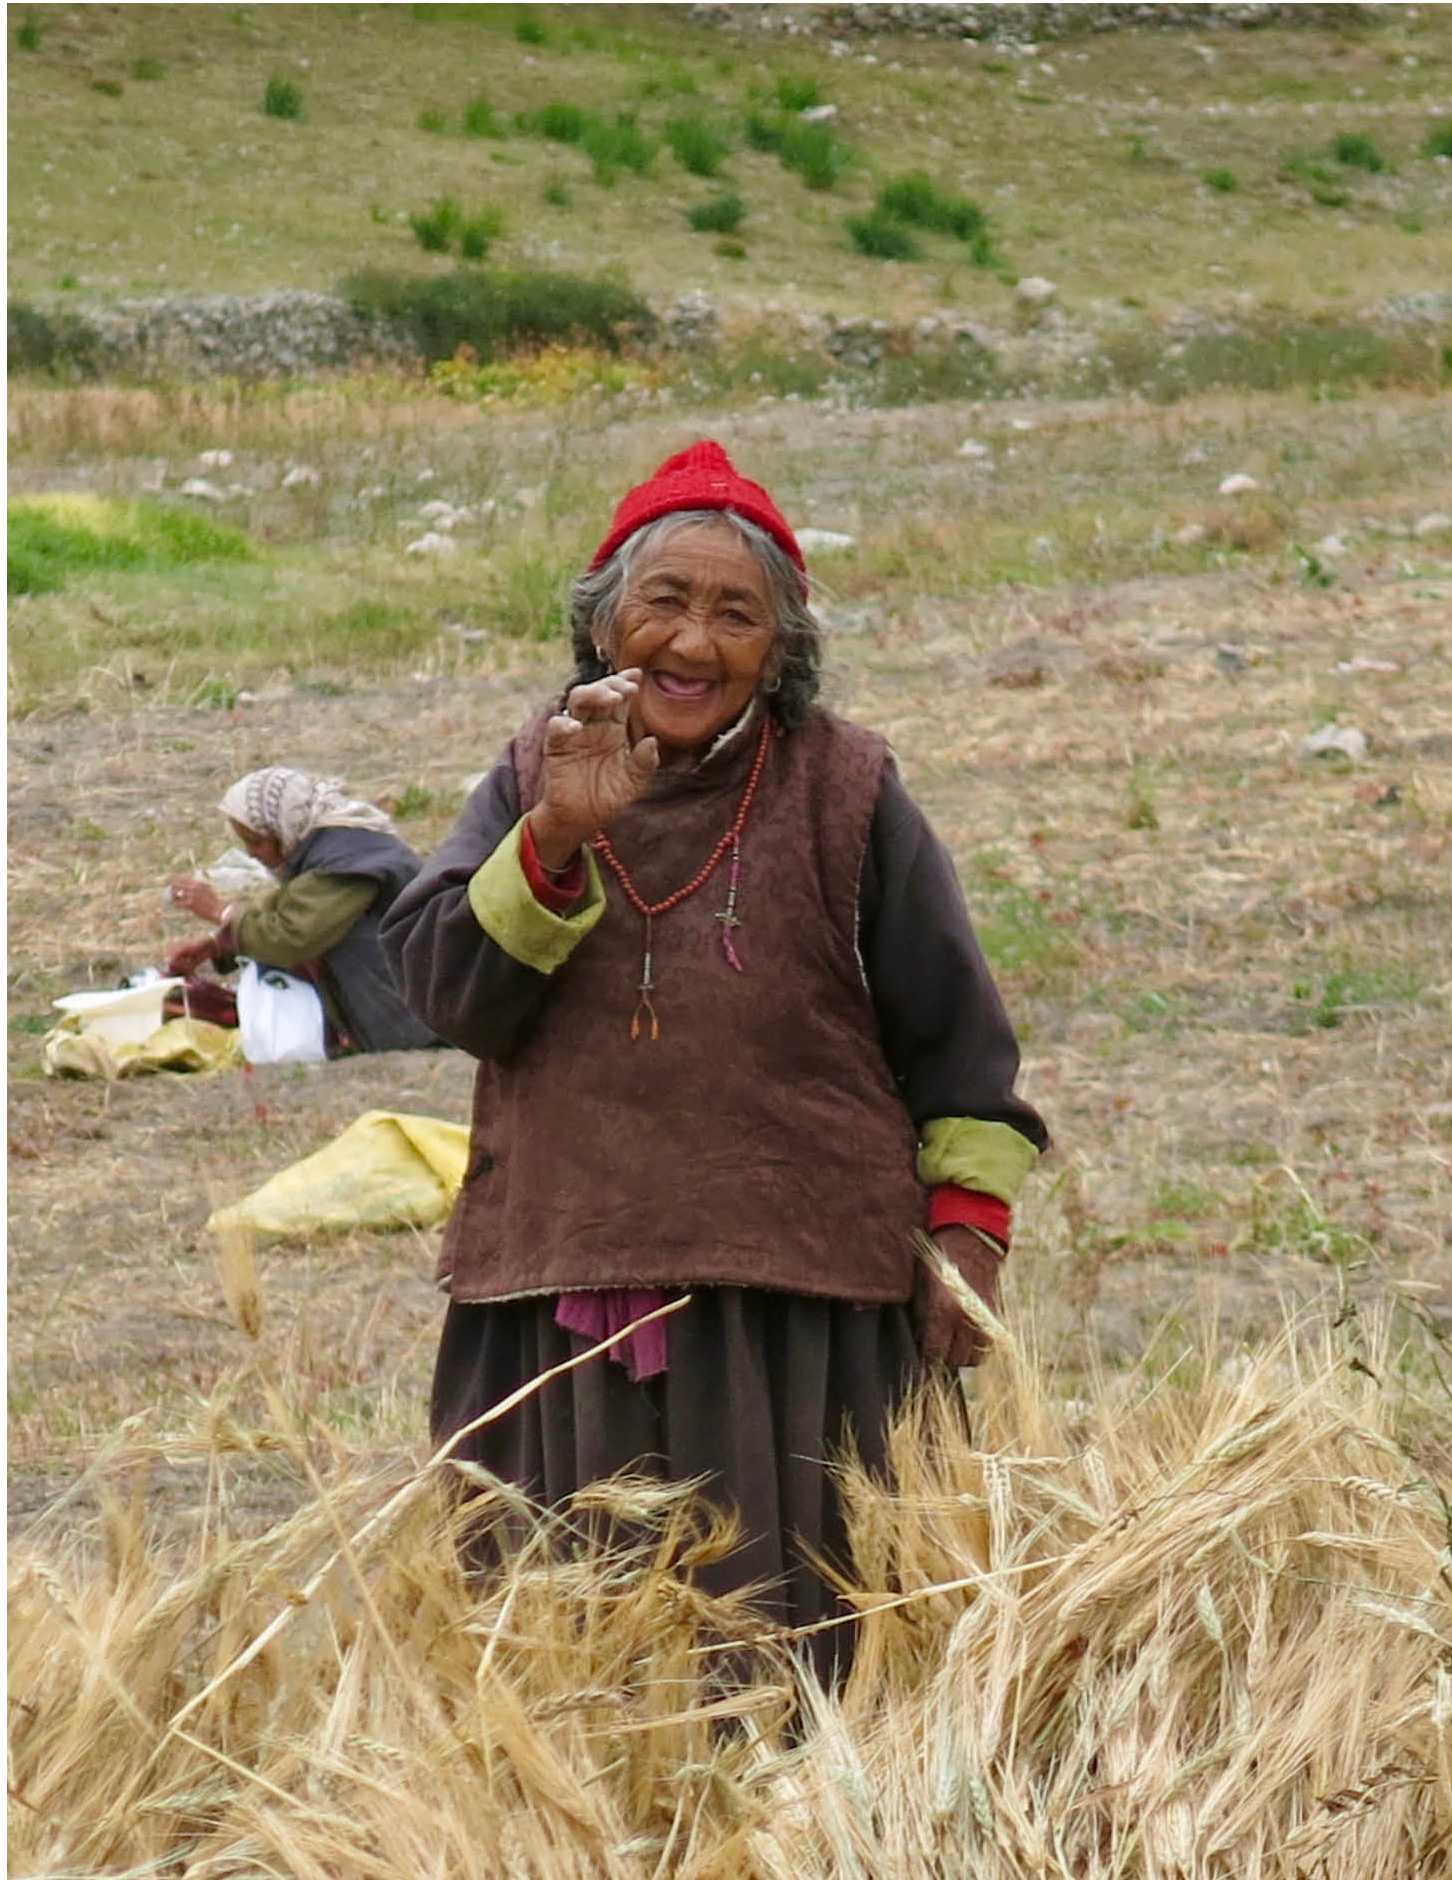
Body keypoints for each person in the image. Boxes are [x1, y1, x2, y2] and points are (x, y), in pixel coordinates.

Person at [383, 439, 1047, 1680]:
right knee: (567, 1639)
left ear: (780, 649)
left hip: (791, 1299)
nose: (692, 644)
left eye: (735, 615)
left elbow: (955, 1031)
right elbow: (440, 991)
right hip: (566, 1277)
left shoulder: (846, 788)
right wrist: (556, 838)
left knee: (804, 1634)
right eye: (664, 603)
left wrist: (966, 1230)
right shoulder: (537, 770)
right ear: (603, 623)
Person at [165, 768, 437, 1056]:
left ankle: (380, 1037)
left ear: (283, 827)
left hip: (420, 1016)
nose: (252, 853)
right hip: (421, 992)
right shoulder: (333, 846)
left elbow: (293, 936)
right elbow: (291, 905)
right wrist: (219, 944)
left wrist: (220, 912)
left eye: (257, 841)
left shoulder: (347, 865)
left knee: (325, 940)